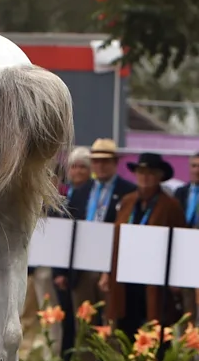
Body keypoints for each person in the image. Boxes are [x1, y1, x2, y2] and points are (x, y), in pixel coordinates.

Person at [100, 153, 186, 338]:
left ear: (159, 177)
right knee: (125, 326)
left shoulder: (170, 205)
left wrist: (176, 278)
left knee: (155, 327)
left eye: (150, 173)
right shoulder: (127, 201)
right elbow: (115, 239)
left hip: (153, 278)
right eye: (141, 172)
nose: (145, 177)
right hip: (125, 274)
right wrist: (108, 271)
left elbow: (179, 242)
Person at [54, 139, 136, 322]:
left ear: (115, 163)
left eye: (106, 161)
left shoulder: (129, 192)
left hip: (111, 264)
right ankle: (82, 352)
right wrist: (61, 270)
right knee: (83, 321)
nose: (100, 166)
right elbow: (68, 230)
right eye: (96, 161)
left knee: (111, 321)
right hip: (81, 264)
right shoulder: (81, 191)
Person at [174, 151, 199, 322]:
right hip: (184, 256)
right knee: (186, 310)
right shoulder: (180, 192)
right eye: (194, 166)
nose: (197, 170)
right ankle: (186, 347)